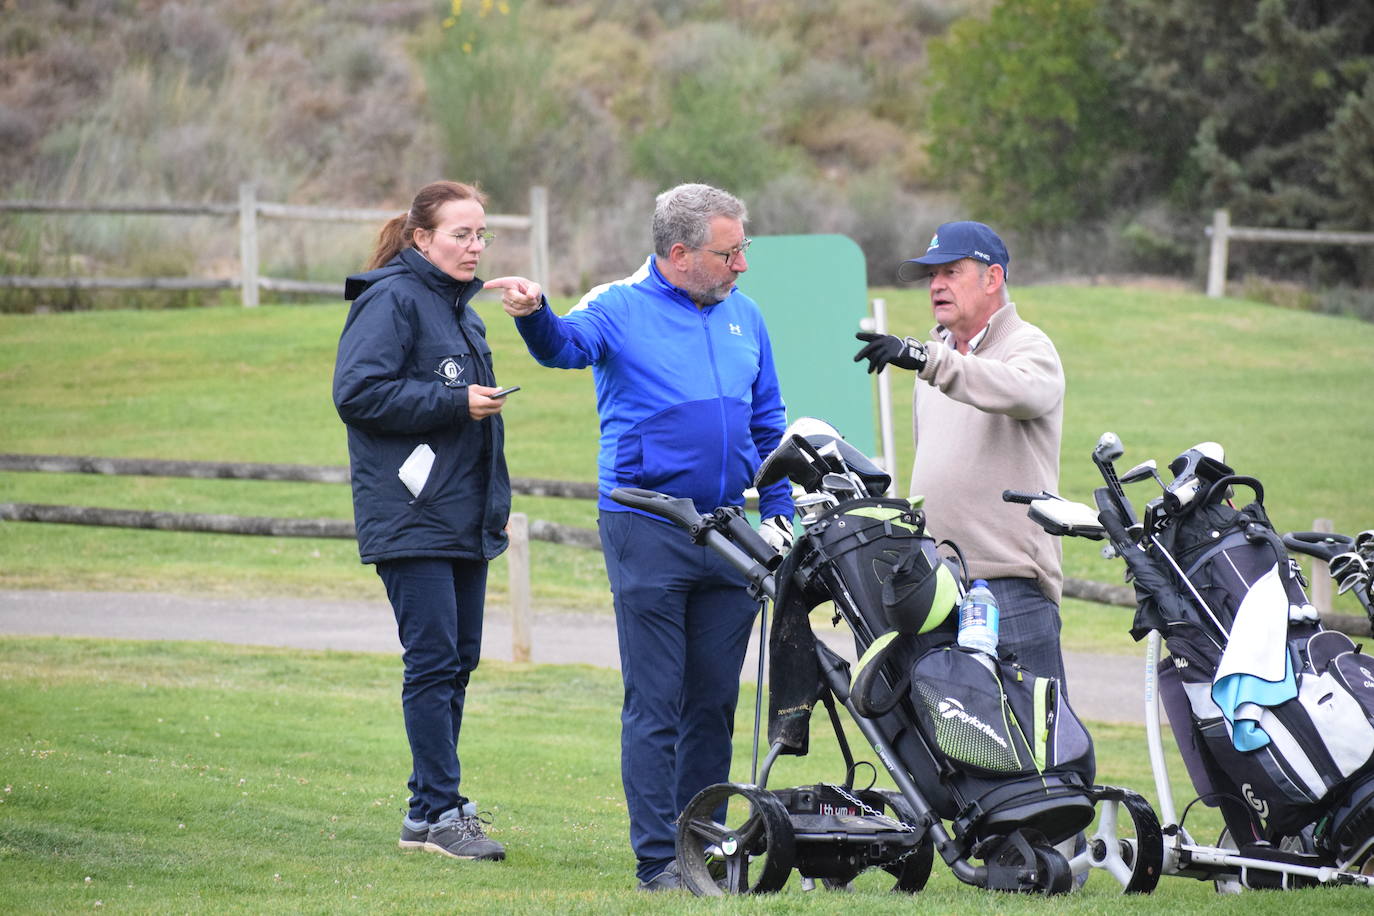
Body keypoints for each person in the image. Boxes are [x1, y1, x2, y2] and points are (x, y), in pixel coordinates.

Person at [493, 183, 794, 892]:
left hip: (729, 533)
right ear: (680, 252)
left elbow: (768, 419)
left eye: (743, 249)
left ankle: (704, 849)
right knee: (657, 698)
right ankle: (659, 860)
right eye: (729, 252)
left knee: (714, 700)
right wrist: (534, 315)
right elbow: (564, 348)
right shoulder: (619, 305)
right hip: (647, 526)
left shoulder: (743, 315)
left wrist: (779, 511)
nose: (742, 265)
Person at [333, 179, 530, 862]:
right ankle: (444, 813)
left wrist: (493, 508)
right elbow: (357, 393)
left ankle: (424, 814)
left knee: (458, 661)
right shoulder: (391, 298)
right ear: (422, 238)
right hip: (411, 513)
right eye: (461, 234)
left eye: (482, 234)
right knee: (434, 660)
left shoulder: (463, 311)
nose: (475, 246)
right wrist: (454, 400)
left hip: (463, 516)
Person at [853, 220, 1069, 684]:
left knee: (1040, 747)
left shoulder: (1028, 346)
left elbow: (1024, 392)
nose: (936, 285)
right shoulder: (936, 360)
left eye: (950, 271)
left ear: (992, 278)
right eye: (931, 276)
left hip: (1010, 588)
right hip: (937, 588)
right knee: (952, 752)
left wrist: (927, 360)